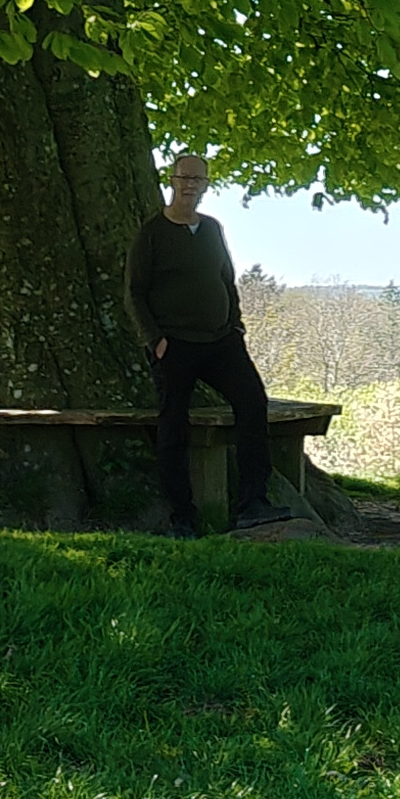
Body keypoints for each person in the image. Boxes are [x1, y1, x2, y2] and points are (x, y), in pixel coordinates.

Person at [125, 150, 281, 536]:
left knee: (253, 403)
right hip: (174, 345)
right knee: (173, 427)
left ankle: (253, 503)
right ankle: (182, 517)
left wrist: (236, 326)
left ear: (206, 186)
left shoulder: (211, 229)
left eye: (198, 180)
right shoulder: (152, 233)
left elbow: (226, 279)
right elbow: (135, 292)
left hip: (221, 341)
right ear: (172, 181)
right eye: (185, 178)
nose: (190, 186)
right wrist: (155, 340)